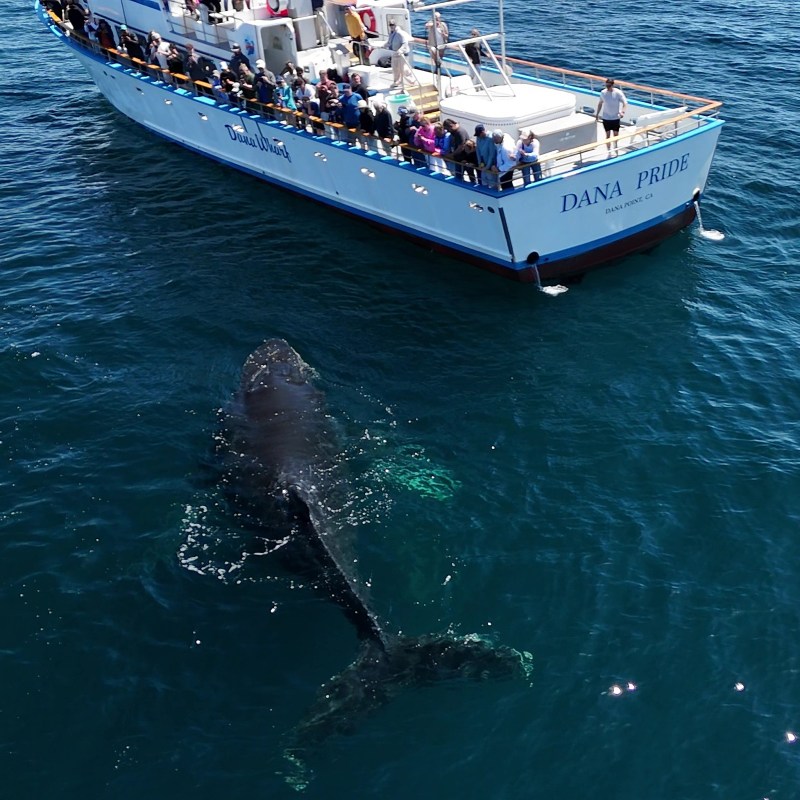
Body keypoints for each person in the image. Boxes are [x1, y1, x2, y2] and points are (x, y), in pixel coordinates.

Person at [595, 77, 627, 153]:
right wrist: (597, 114)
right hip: (606, 118)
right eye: (606, 85)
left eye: (609, 85)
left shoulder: (618, 93)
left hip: (615, 117)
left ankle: (615, 147)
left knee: (616, 135)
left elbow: (625, 103)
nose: (607, 87)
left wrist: (623, 112)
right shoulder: (603, 93)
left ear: (612, 85)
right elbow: (600, 103)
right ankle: (609, 151)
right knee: (608, 135)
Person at [386, 21, 410, 89]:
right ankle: (396, 81)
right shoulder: (391, 33)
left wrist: (400, 50)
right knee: (395, 68)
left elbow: (405, 43)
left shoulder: (400, 33)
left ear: (395, 25)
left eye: (393, 25)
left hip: (401, 54)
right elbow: (389, 42)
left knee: (404, 69)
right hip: (394, 53)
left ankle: (411, 81)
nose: (391, 26)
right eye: (390, 25)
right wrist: (384, 45)